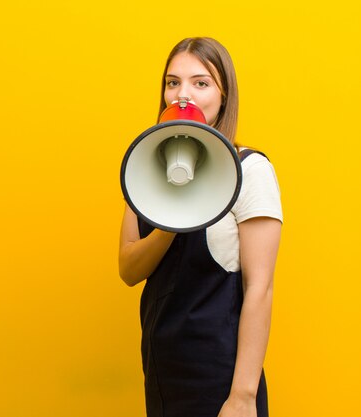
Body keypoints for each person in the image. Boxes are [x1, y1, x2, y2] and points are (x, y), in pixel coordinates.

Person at [118, 37, 282, 417]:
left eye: (201, 82)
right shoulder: (145, 170)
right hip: (162, 371)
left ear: (225, 96)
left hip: (220, 380)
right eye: (172, 82)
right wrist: (171, 217)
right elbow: (128, 269)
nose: (183, 94)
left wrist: (242, 395)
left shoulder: (250, 171)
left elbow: (260, 287)